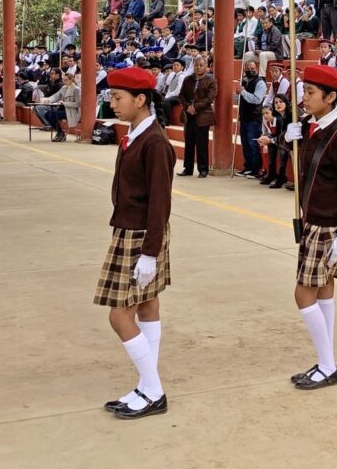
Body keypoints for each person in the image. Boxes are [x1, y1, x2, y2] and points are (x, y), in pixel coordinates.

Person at [96, 67, 175, 420]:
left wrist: (149, 253)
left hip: (142, 235)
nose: (112, 103)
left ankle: (153, 389)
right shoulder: (136, 133)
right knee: (147, 304)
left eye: (117, 98)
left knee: (120, 314)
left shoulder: (155, 142)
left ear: (140, 100)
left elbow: (160, 202)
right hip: (131, 231)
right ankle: (147, 386)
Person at [282, 65, 337, 390]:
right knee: (324, 290)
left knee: (304, 293)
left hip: (328, 225)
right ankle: (326, 361)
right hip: (314, 220)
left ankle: (327, 365)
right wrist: (290, 142)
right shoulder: (315, 128)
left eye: (311, 93)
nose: (304, 98)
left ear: (330, 97)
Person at [178, 56, 216, 178]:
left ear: (206, 67)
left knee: (202, 144)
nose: (198, 67)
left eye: (201, 65)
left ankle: (203, 169)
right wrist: (188, 107)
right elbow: (181, 95)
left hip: (203, 115)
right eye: (196, 65)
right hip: (189, 115)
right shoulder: (187, 79)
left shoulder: (211, 80)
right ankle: (187, 168)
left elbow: (209, 98)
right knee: (189, 143)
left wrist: (196, 107)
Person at [237, 60, 267, 178]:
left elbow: (257, 99)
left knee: (253, 143)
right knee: (245, 143)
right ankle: (248, 167)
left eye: (252, 68)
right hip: (244, 116)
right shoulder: (244, 80)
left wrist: (243, 92)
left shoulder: (260, 83)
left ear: (257, 68)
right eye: (248, 68)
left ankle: (255, 169)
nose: (250, 70)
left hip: (254, 118)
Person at [258, 95, 291, 188]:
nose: (278, 104)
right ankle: (271, 174)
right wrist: (264, 138)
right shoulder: (268, 120)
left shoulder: (281, 119)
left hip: (287, 142)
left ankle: (281, 177)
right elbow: (273, 134)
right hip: (280, 140)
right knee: (271, 147)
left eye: (281, 102)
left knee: (282, 149)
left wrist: (270, 140)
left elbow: (283, 135)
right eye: (276, 102)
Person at [38, 72, 81, 142]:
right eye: (63, 80)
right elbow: (56, 96)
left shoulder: (76, 89)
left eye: (66, 80)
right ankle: (60, 132)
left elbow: (77, 104)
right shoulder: (64, 88)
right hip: (64, 109)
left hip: (72, 111)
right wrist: (48, 99)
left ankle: (60, 133)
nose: (64, 81)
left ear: (71, 80)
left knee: (53, 115)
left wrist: (64, 103)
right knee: (47, 114)